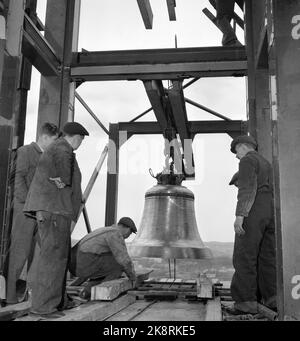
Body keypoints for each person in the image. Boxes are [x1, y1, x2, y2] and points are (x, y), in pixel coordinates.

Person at [23, 121, 89, 318]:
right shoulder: (63, 148)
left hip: (56, 211)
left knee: (60, 258)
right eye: (81, 139)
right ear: (75, 137)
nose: (81, 143)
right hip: (54, 211)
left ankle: (59, 301)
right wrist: (62, 183)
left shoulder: (58, 148)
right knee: (53, 259)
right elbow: (62, 177)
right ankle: (43, 307)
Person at [6, 123, 59, 304]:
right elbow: (17, 179)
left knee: (42, 254)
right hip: (24, 212)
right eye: (53, 140)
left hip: (40, 214)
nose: (54, 145)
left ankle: (31, 295)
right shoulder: (25, 152)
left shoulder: (48, 158)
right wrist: (28, 206)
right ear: (44, 137)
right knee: (18, 254)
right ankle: (9, 297)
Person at [228, 135, 277, 315]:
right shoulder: (266, 163)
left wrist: (240, 216)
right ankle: (272, 298)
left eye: (236, 151)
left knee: (244, 255)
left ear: (242, 147)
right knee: (267, 257)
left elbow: (247, 188)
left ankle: (245, 303)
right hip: (270, 210)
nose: (236, 156)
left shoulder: (248, 160)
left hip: (253, 209)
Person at [69, 217, 137, 298]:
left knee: (108, 262)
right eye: (130, 232)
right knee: (118, 266)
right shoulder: (115, 234)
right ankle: (96, 292)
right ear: (126, 228)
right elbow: (124, 260)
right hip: (83, 264)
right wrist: (133, 277)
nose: (129, 235)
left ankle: (83, 289)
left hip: (74, 263)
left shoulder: (106, 230)